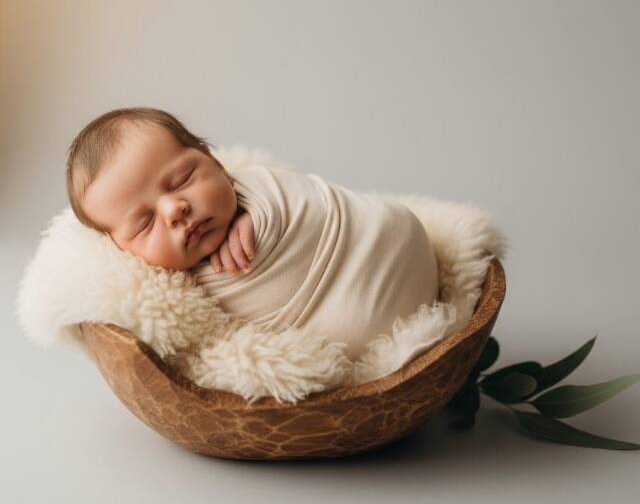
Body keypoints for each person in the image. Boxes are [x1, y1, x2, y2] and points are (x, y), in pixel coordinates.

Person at [65, 107, 438, 361]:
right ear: (120, 248)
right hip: (353, 328)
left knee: (394, 221)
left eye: (181, 180)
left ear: (213, 161)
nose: (173, 210)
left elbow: (303, 197)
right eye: (145, 223)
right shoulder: (164, 291)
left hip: (390, 243)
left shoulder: (261, 187)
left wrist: (256, 212)